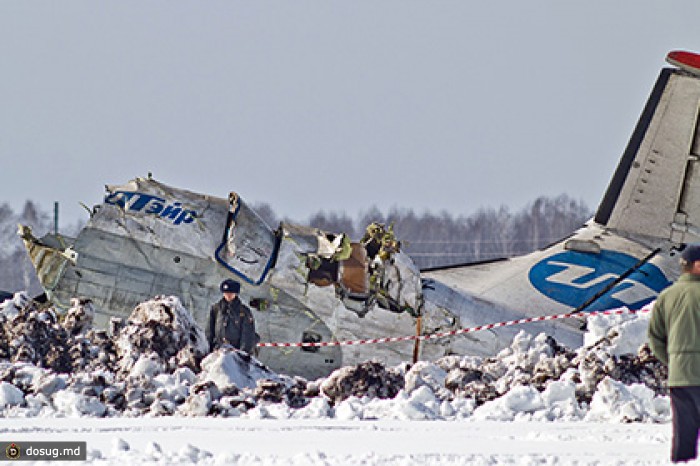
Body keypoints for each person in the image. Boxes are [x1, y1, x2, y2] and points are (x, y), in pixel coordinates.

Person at [648, 244, 700, 463]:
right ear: (698, 266)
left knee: (684, 434)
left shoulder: (667, 296)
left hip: (679, 377)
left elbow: (654, 338)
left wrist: (675, 361)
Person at [206, 279, 259, 354]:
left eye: (231, 293)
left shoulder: (244, 311)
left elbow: (247, 334)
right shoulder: (216, 309)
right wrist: (208, 349)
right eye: (226, 293)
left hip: (235, 351)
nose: (228, 295)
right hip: (218, 350)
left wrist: (243, 353)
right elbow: (209, 331)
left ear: (236, 293)